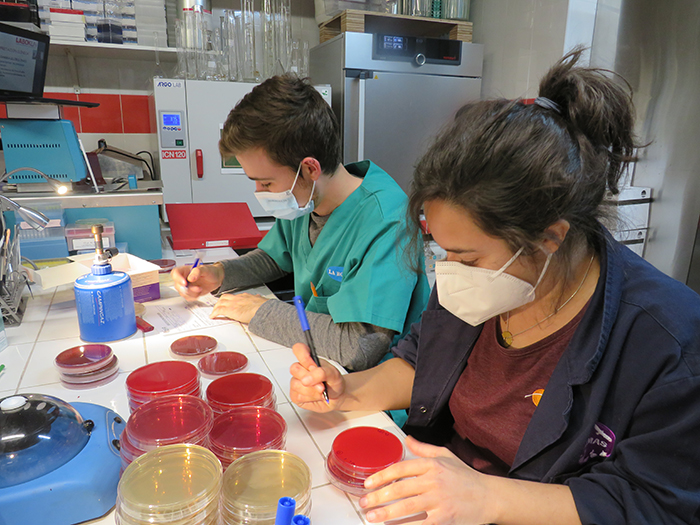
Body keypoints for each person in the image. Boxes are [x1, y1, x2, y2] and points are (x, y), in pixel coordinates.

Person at [289, 48, 700, 525]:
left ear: (550, 237)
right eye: (444, 251)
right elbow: (424, 362)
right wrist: (348, 390)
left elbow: (654, 503)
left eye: (468, 257)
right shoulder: (485, 282)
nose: (451, 272)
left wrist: (489, 498)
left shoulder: (668, 342)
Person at [171, 74, 430, 372]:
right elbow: (274, 258)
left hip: (370, 387)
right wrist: (218, 274)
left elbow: (358, 347)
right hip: (317, 361)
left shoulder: (386, 220)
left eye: (266, 182)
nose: (260, 194)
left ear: (309, 169)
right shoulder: (306, 202)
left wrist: (260, 311)